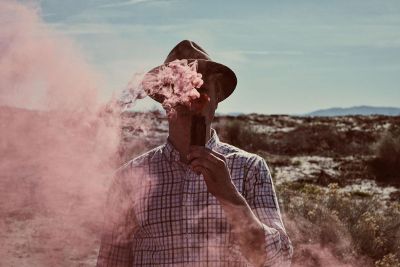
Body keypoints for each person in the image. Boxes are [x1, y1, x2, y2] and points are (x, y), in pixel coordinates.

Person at [97, 40, 293, 267]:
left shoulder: (250, 168)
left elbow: (279, 260)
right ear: (164, 99)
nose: (191, 100)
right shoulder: (129, 178)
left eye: (201, 90)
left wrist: (228, 195)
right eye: (179, 89)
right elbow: (111, 262)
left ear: (217, 97)